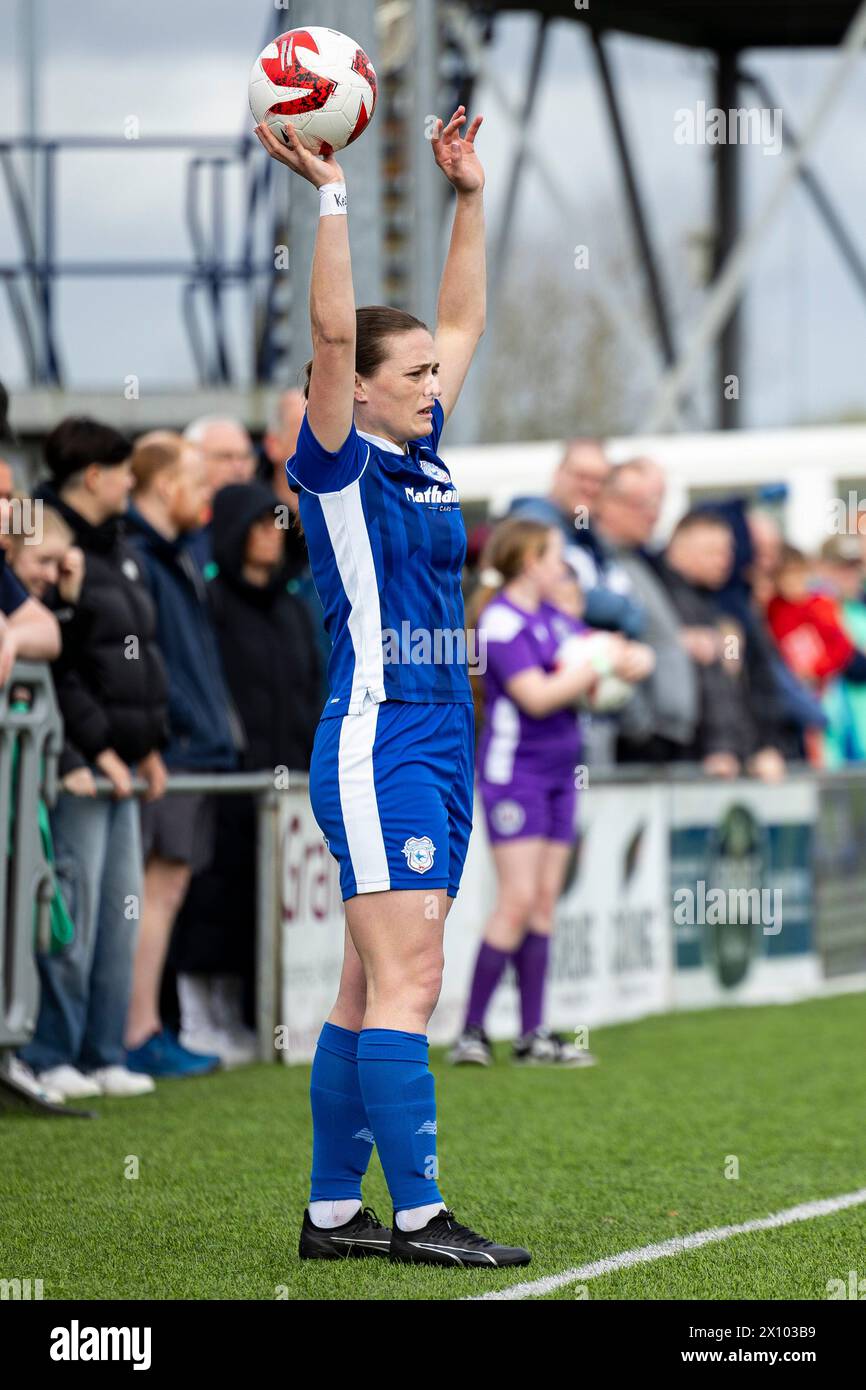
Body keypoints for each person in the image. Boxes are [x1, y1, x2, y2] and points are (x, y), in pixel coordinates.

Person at [257, 102, 532, 1267]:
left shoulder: (418, 447)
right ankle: (417, 1213)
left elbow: (462, 314)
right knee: (409, 976)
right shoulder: (335, 461)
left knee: (366, 981)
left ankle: (332, 1214)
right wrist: (330, 190)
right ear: (359, 387)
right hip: (378, 738)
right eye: (411, 370)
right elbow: (329, 337)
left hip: (438, 735)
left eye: (432, 370)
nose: (436, 379)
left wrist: (467, 196)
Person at [451, 518, 653, 1067]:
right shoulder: (499, 621)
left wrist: (629, 658)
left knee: (543, 903)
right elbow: (536, 697)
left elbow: (613, 651)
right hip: (515, 775)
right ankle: (471, 1031)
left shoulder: (552, 620)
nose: (563, 568)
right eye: (556, 557)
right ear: (530, 562)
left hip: (562, 774)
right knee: (516, 900)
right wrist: (596, 667)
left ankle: (531, 1034)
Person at [19, 417, 169, 1101]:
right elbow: (67, 670)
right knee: (71, 913)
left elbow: (141, 657)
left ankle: (104, 1051)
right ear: (92, 476)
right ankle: (53, 1052)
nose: (131, 483)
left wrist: (149, 748)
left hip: (121, 766)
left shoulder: (121, 549)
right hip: (79, 765)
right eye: (122, 470)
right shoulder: (43, 542)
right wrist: (98, 751)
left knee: (119, 915)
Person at [169, 481, 321, 1062]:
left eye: (277, 525)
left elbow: (309, 687)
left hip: (285, 782)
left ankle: (242, 1016)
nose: (270, 536)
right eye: (258, 525)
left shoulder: (291, 609)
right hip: (230, 778)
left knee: (262, 901)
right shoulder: (211, 606)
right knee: (212, 896)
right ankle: (197, 1017)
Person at [123, 431, 240, 1078]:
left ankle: (145, 1028)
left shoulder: (176, 555)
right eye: (198, 481)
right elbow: (148, 667)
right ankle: (138, 1032)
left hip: (193, 751)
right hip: (177, 755)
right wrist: (176, 734)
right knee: (156, 892)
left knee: (165, 891)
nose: (207, 497)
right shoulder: (143, 556)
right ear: (166, 486)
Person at [659, 512, 785, 780]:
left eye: (727, 551)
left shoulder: (717, 605)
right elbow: (709, 686)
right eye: (712, 552)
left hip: (728, 758)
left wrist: (759, 747)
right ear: (679, 548)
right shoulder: (666, 602)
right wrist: (721, 748)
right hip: (693, 762)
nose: (724, 560)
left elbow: (735, 681)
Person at [509, 438, 646, 638]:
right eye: (581, 476)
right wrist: (626, 608)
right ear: (558, 474)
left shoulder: (585, 532)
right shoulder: (533, 524)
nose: (589, 487)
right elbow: (560, 593)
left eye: (599, 480)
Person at [183, 417, 257, 570]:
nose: (238, 467)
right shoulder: (181, 530)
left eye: (245, 457)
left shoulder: (268, 526)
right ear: (193, 463)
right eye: (225, 457)